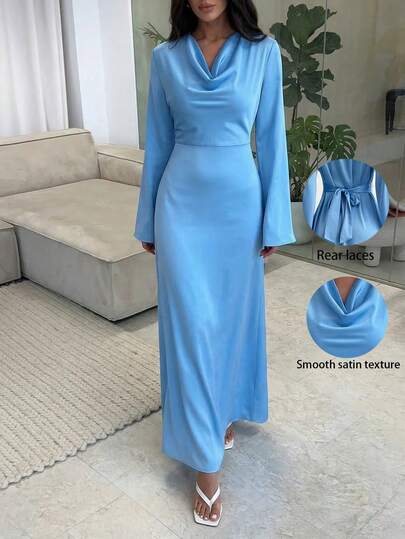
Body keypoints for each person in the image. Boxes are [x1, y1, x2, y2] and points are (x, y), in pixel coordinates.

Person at [134, 0, 295, 526]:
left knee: (228, 323)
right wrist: (147, 220)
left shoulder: (262, 52)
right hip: (179, 208)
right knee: (191, 329)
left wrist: (275, 219)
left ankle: (222, 410)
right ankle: (206, 468)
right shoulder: (166, 57)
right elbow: (157, 141)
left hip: (238, 209)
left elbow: (271, 137)